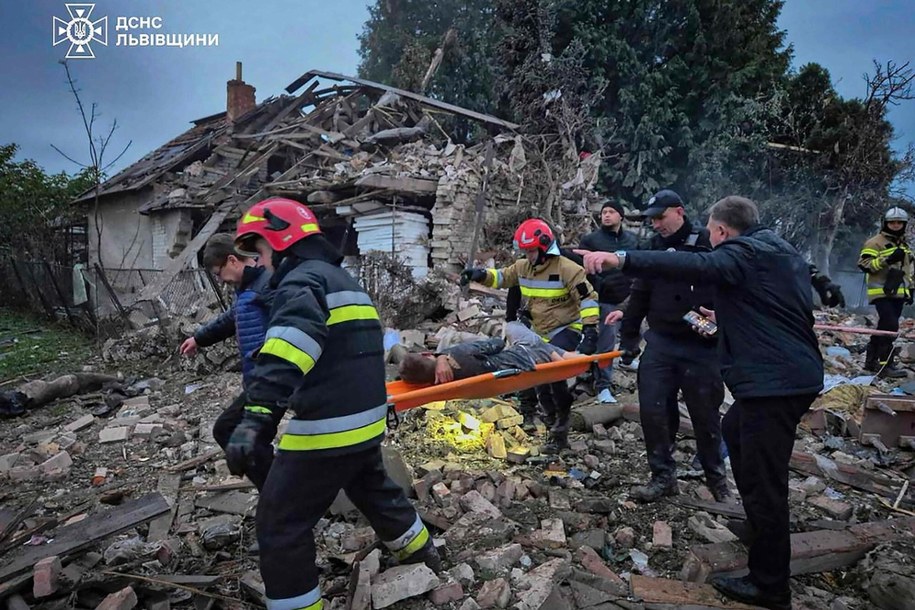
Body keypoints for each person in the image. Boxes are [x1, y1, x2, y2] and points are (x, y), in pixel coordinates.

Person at [576, 195, 823, 610]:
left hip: (774, 383)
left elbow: (695, 266)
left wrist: (620, 258)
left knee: (765, 480)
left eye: (713, 233)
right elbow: (772, 304)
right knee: (734, 430)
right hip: (791, 374)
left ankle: (770, 585)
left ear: (722, 231)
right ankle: (759, 529)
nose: (711, 239)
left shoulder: (739, 252)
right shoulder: (777, 249)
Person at [225, 197, 440, 610]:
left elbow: (289, 350)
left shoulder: (300, 283)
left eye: (260, 250)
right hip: (367, 419)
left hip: (328, 426)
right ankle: (420, 551)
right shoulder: (342, 280)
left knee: (280, 522)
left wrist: (255, 419)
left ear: (279, 242)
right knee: (371, 488)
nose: (259, 262)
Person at [610, 189, 729, 503]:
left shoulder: (708, 243)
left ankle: (717, 480)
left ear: (679, 211)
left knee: (705, 417)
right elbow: (640, 294)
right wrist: (629, 339)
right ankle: (662, 477)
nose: (656, 224)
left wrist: (724, 323)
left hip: (701, 347)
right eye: (652, 220)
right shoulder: (653, 248)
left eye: (661, 217)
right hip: (661, 343)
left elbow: (732, 287)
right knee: (654, 412)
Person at [460, 218, 600, 453]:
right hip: (540, 332)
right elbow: (502, 277)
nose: (528, 255)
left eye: (532, 251)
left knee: (554, 375)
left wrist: (590, 331)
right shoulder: (523, 267)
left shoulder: (568, 269)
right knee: (540, 381)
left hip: (567, 328)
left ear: (545, 247)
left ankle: (561, 427)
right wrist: (479, 274)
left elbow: (587, 299)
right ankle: (553, 423)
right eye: (525, 251)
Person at [179, 234, 275, 490]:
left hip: (273, 381)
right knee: (241, 436)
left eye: (218, 273)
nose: (221, 280)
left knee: (229, 430)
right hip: (259, 380)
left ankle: (279, 495)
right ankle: (279, 493)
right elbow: (231, 318)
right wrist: (198, 338)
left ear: (232, 260)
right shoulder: (246, 289)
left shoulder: (268, 285)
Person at [575, 199, 641, 403]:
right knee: (606, 344)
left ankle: (627, 359)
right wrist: (599, 285)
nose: (606, 215)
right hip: (604, 300)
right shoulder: (591, 241)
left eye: (611, 211)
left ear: (621, 216)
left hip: (629, 297)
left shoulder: (632, 240)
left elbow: (639, 265)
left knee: (635, 332)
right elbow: (581, 271)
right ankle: (603, 386)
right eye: (604, 212)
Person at [399, 321, 582, 384]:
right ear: (426, 355)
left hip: (510, 370)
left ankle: (568, 357)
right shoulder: (458, 355)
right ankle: (568, 359)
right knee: (514, 327)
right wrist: (443, 356)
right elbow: (497, 344)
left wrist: (441, 358)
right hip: (524, 359)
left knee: (534, 342)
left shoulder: (436, 380)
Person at [858, 206, 913, 378]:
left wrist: (910, 289)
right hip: (881, 292)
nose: (895, 225)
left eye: (899, 222)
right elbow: (864, 265)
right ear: (885, 223)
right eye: (892, 222)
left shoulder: (904, 245)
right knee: (890, 327)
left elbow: (907, 270)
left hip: (898, 293)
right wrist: (887, 259)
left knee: (883, 326)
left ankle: (871, 362)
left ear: (904, 224)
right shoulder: (875, 242)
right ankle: (885, 365)